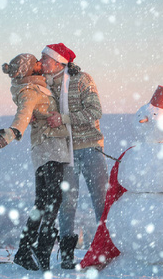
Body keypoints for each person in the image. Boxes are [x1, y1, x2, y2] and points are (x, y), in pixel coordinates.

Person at [0, 53, 71, 272]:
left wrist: (69, 68)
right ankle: (41, 250)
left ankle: (24, 251)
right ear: (29, 69)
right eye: (36, 62)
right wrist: (10, 134)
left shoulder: (38, 86)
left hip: (46, 149)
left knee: (43, 202)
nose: (40, 63)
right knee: (53, 199)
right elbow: (23, 114)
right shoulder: (30, 90)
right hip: (49, 148)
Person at [40, 43, 109, 269]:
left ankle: (106, 251)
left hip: (90, 148)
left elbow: (95, 111)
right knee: (67, 203)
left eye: (45, 58)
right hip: (64, 151)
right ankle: (67, 255)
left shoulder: (81, 80)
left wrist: (64, 118)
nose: (41, 62)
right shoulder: (44, 85)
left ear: (59, 62)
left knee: (100, 201)